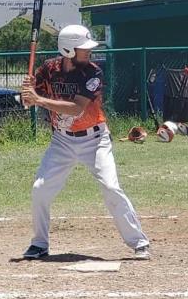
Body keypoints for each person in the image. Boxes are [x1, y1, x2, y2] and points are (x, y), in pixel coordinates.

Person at [20, 24, 151, 260]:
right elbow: (30, 99)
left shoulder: (93, 72)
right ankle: (39, 244)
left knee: (111, 187)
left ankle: (139, 242)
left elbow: (76, 108)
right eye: (84, 48)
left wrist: (38, 99)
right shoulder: (49, 69)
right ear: (68, 50)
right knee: (40, 190)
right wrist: (27, 94)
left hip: (95, 139)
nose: (89, 52)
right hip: (62, 141)